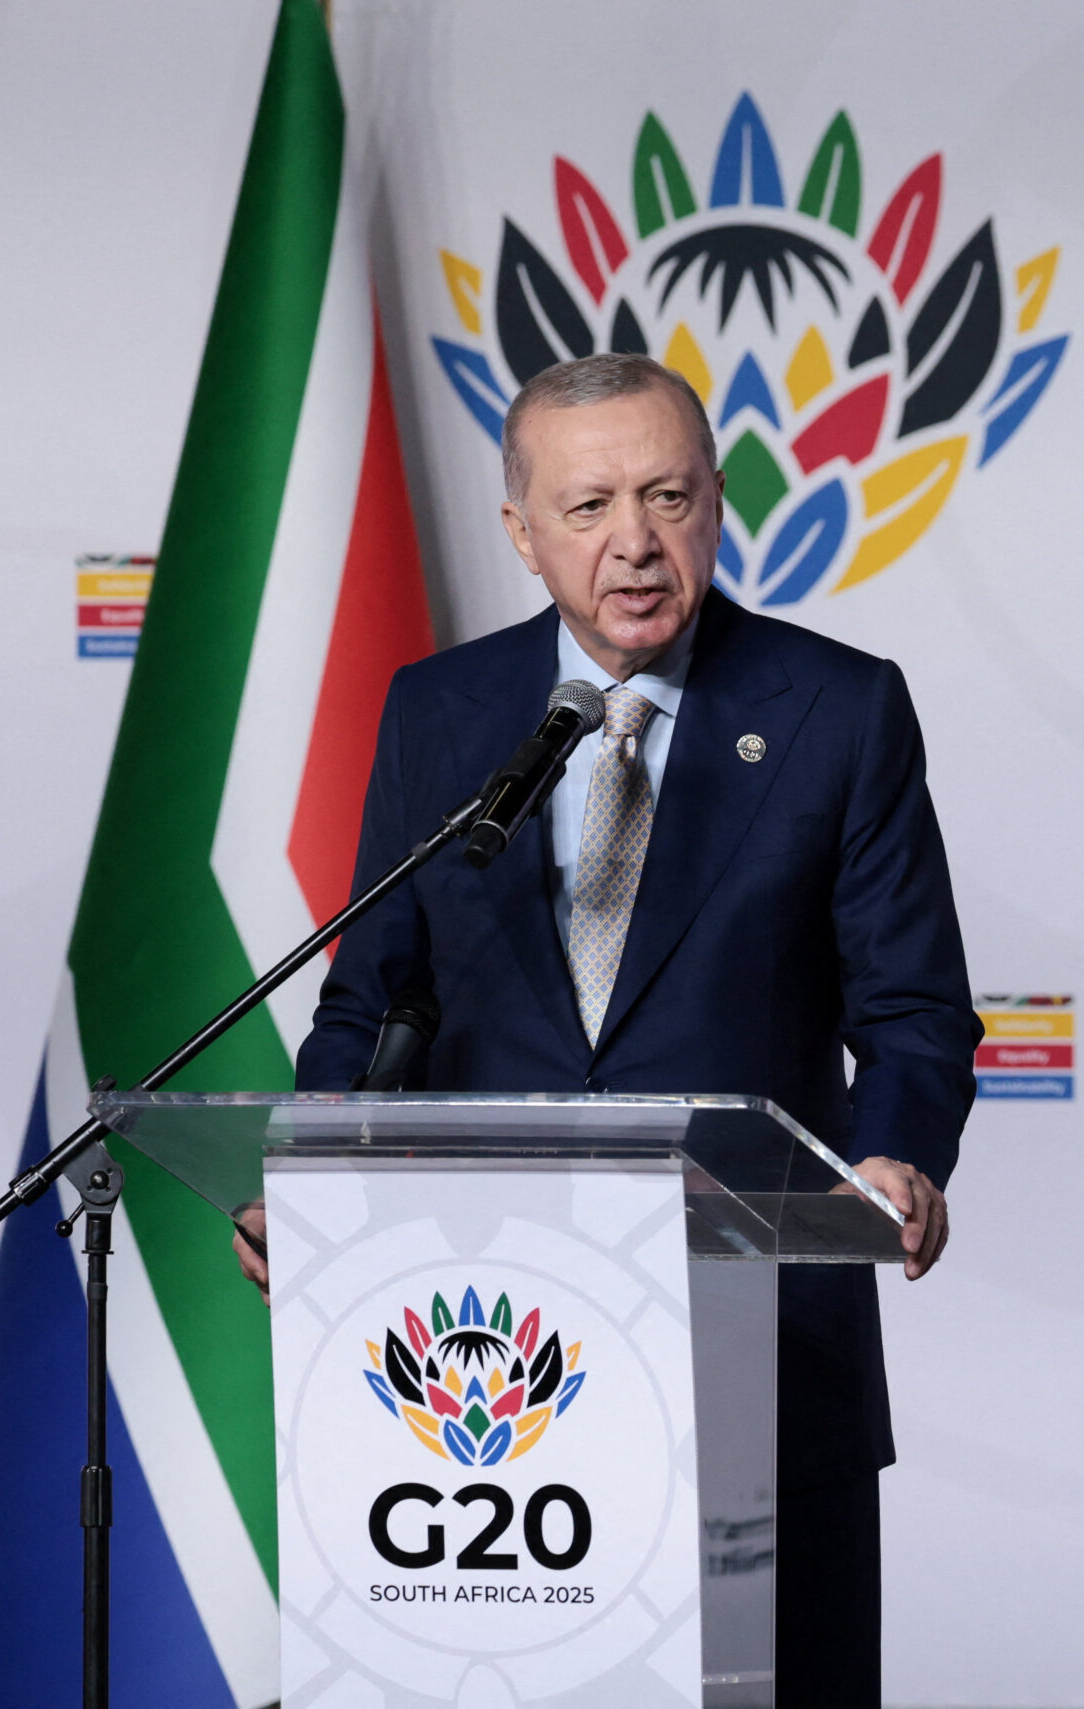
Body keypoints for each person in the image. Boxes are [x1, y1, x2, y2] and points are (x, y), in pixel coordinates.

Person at [231, 351, 979, 1707]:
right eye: (588, 507)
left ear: (717, 503)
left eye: (667, 496)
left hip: (760, 1330)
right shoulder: (443, 710)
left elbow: (914, 1007)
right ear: (522, 532)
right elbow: (374, 995)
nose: (634, 540)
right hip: (487, 1354)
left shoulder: (839, 706)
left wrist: (897, 1158)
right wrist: (314, 1175)